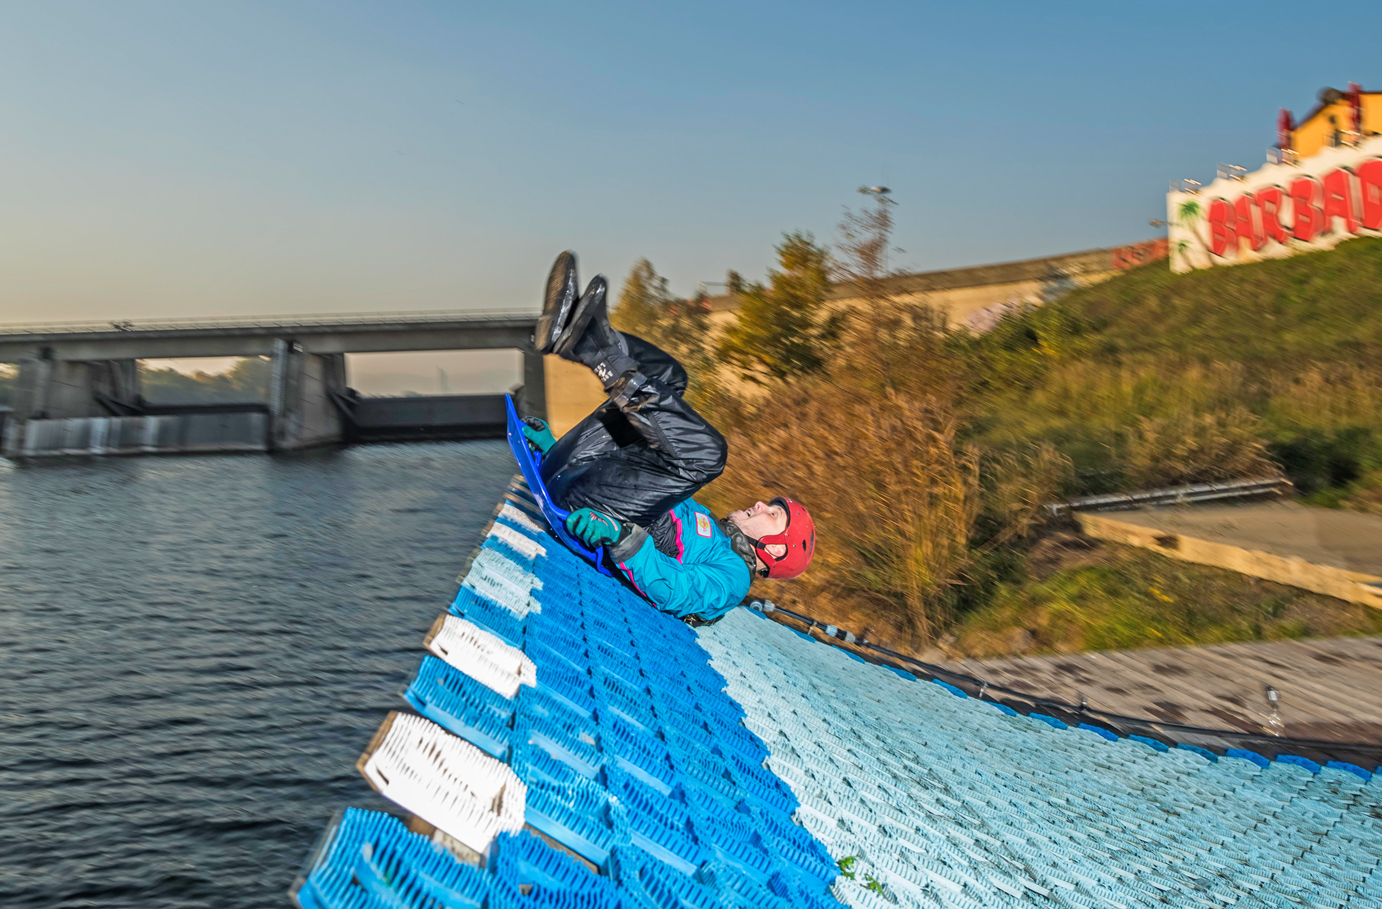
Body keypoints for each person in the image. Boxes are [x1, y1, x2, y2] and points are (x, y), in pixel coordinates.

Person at [523, 251, 815, 625]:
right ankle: (574, 335)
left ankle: (588, 344)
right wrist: (556, 448)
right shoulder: (707, 521)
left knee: (708, 457)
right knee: (672, 379)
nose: (760, 503)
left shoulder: (733, 579)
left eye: (772, 514)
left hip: (593, 517)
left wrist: (620, 537)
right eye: (769, 504)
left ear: (774, 549)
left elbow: (675, 590)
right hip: (576, 477)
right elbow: (636, 479)